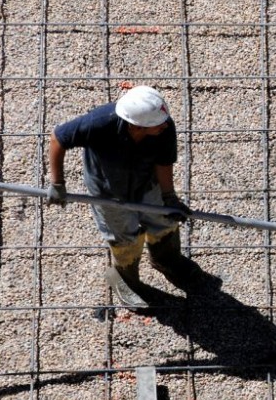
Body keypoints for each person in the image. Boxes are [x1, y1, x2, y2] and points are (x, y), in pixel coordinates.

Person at [46, 85, 200, 307]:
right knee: (124, 236)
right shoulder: (98, 123)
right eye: (158, 123)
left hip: (147, 182)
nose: (165, 124)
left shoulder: (164, 127)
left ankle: (166, 259)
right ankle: (125, 279)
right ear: (136, 125)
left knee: (163, 220)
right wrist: (57, 183)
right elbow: (57, 139)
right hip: (108, 191)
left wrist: (169, 197)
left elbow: (163, 162)